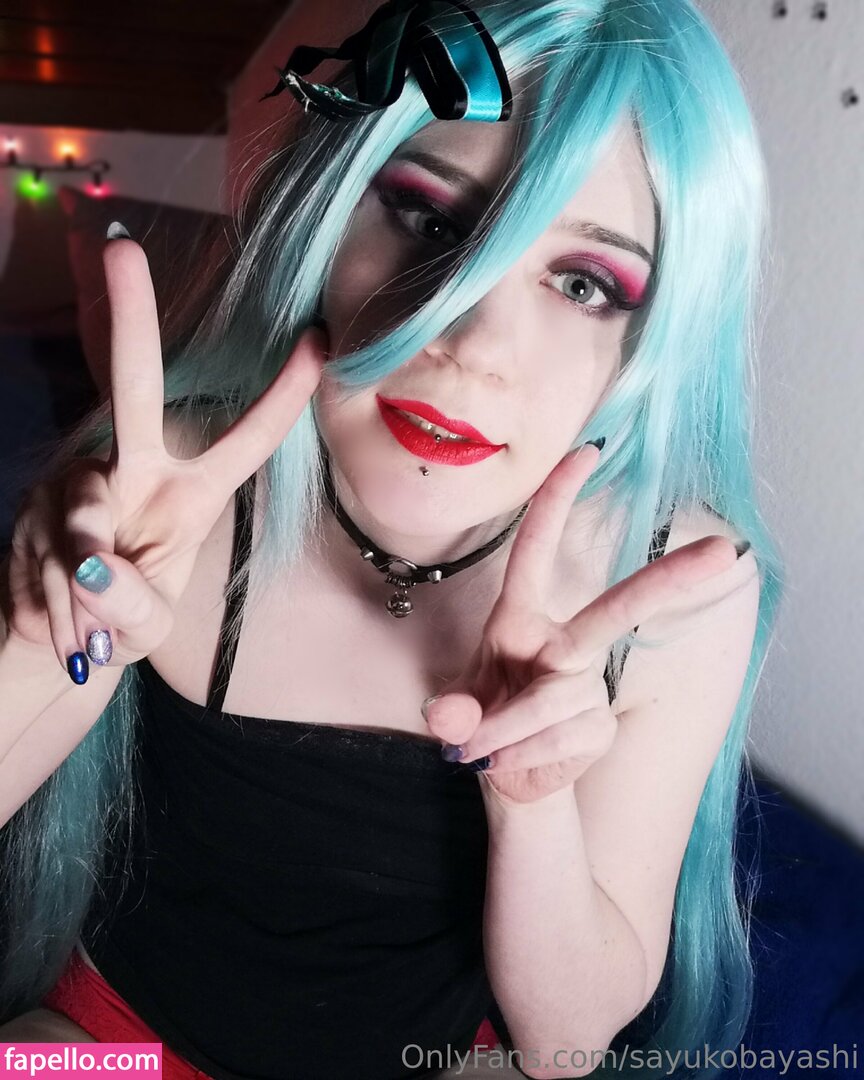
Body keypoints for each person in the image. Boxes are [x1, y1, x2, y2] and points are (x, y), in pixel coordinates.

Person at [0, 0, 784, 1077]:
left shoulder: (669, 584)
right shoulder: (173, 488)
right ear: (327, 218)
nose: (473, 341)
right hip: (116, 1046)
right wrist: (42, 638)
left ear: (651, 340)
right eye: (430, 219)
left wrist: (534, 801)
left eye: (585, 283)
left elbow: (564, 1044)